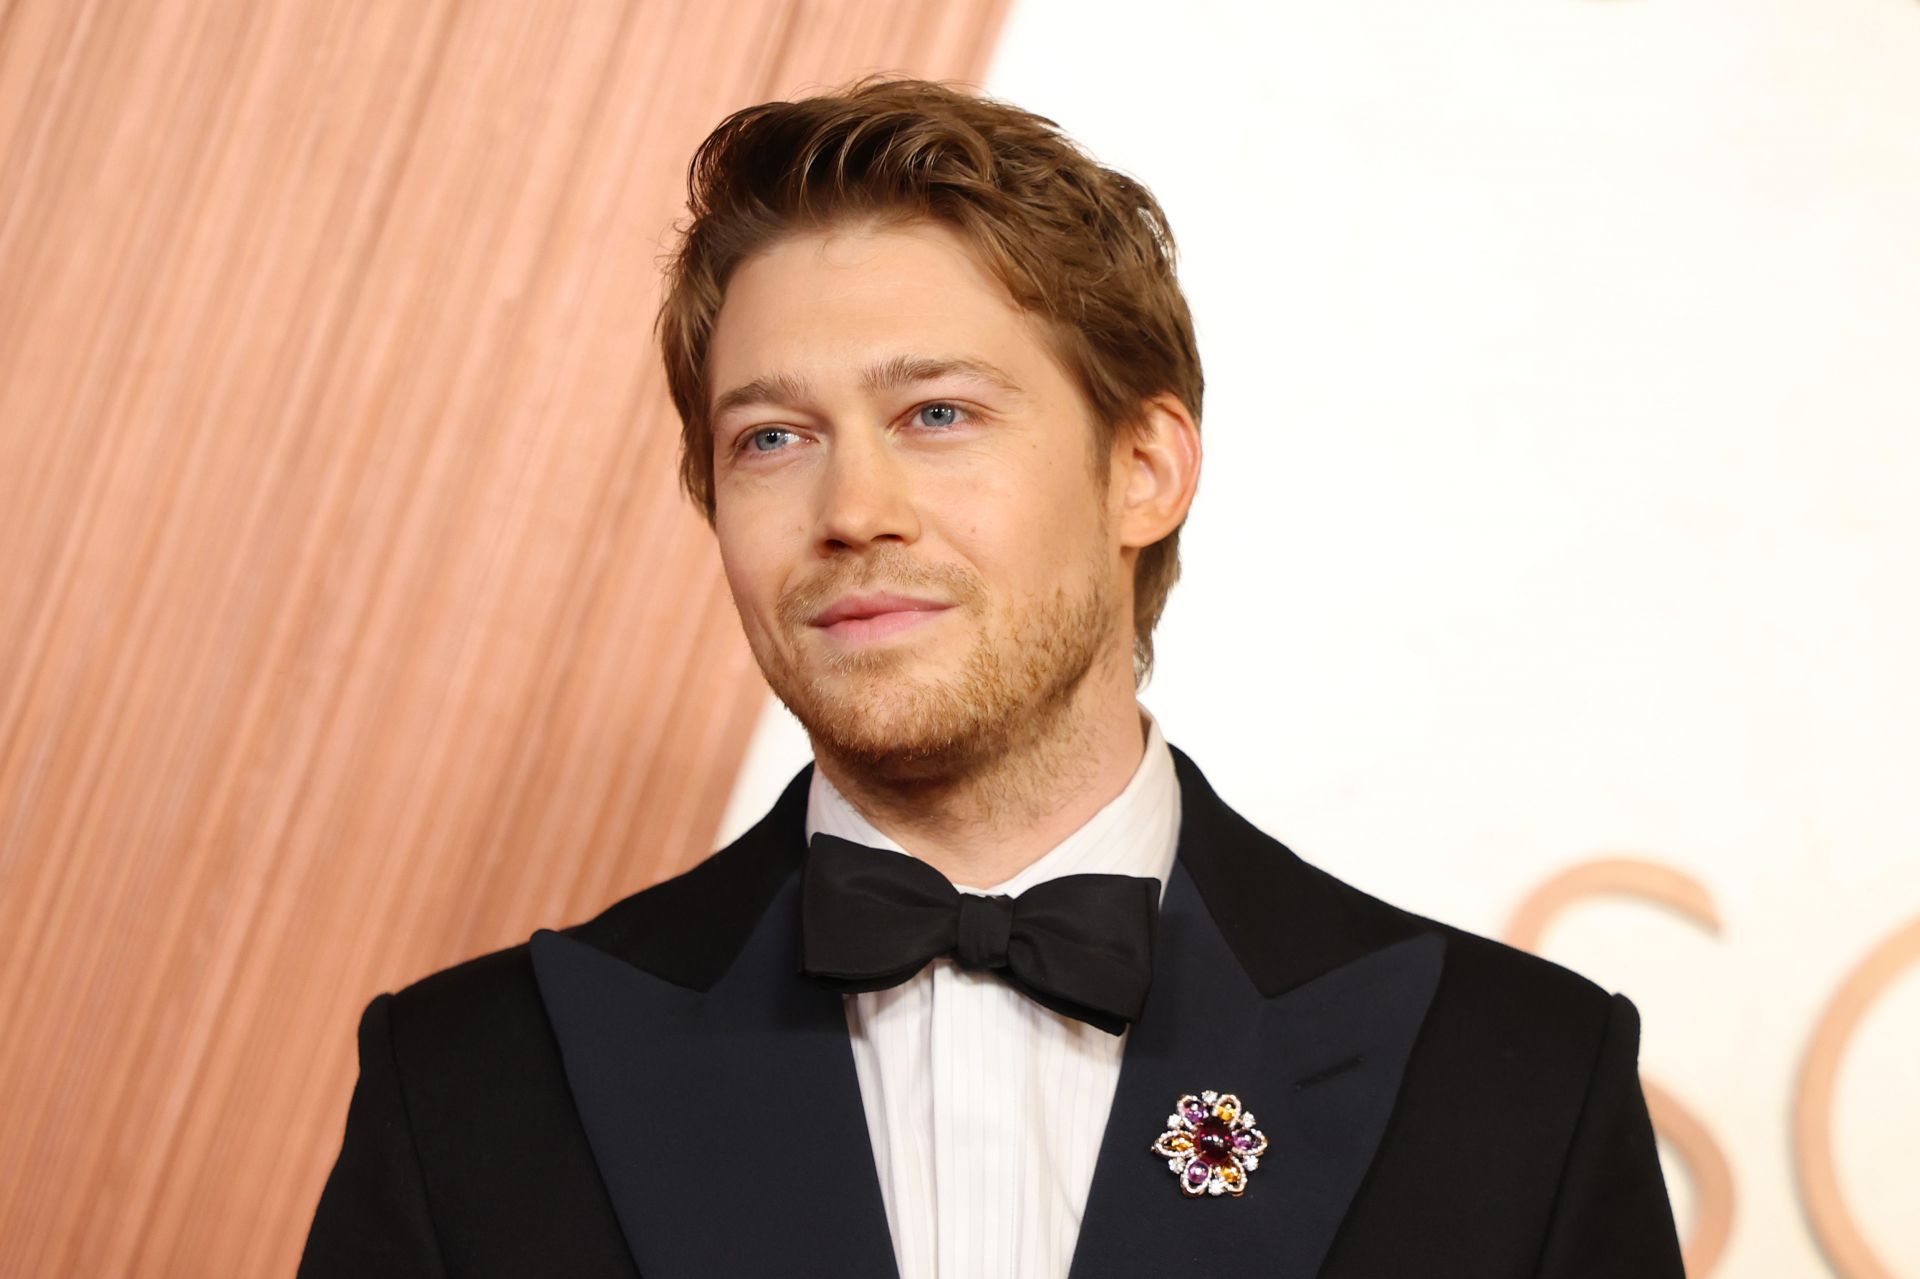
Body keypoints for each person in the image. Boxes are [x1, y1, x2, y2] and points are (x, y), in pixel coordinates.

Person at [298, 74, 1685, 1278]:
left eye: (938, 414)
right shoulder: (473, 1085)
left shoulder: (1514, 1086)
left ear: (1143, 469)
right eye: (773, 439)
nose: (855, 510)